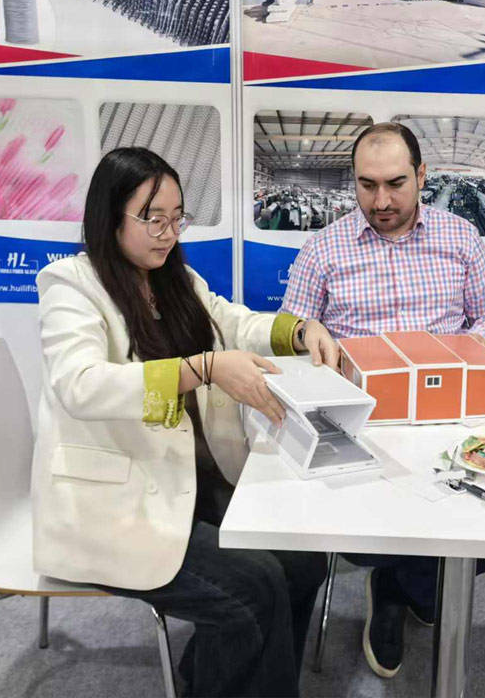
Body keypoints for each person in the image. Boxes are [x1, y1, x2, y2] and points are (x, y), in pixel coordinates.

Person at [32, 147, 338, 697]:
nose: (169, 234)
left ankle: (221, 675)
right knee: (253, 588)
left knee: (302, 559)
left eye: (177, 218)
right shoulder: (71, 284)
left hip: (185, 480)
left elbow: (232, 322)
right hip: (115, 504)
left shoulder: (175, 279)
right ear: (110, 216)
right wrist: (204, 369)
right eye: (153, 219)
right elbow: (80, 384)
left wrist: (298, 330)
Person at [280, 122, 485, 679]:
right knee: (363, 536)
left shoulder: (461, 238)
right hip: (364, 428)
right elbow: (290, 330)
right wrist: (307, 335)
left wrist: (454, 353)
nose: (381, 201)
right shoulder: (324, 248)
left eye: (396, 184)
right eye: (367, 185)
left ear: (422, 175)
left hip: (451, 418)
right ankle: (407, 583)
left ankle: (398, 586)